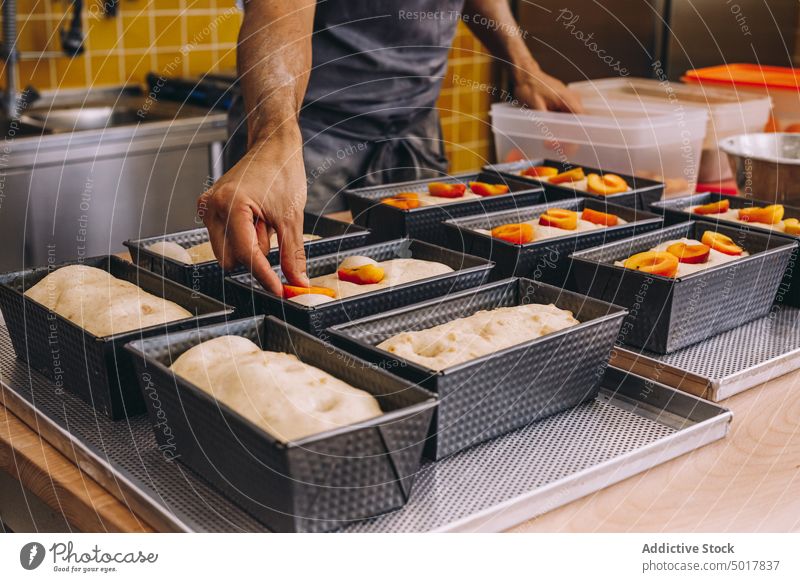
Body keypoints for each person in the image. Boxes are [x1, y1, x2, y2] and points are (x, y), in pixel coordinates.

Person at [198, 1, 582, 295]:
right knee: (283, 287)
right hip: (310, 131)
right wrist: (274, 136)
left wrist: (523, 65)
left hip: (414, 129)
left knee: (422, 283)